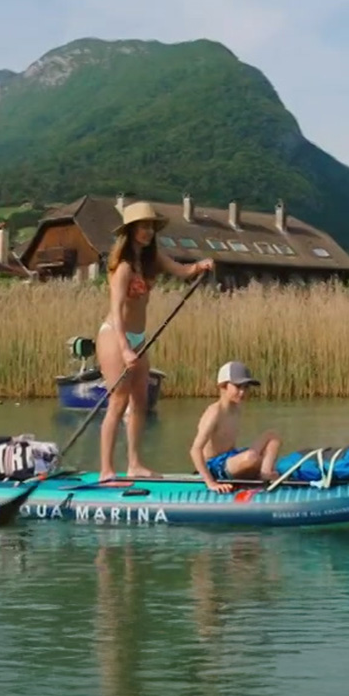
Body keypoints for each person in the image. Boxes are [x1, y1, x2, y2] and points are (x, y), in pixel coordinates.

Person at [99, 200, 212, 481]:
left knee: (141, 400)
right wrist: (125, 348)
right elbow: (116, 308)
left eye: (151, 226)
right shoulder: (122, 266)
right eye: (143, 227)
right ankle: (106, 471)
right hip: (115, 335)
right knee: (118, 402)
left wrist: (200, 265)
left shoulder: (152, 259)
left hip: (139, 337)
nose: (148, 232)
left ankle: (135, 463)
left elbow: (182, 271)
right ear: (131, 230)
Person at [189, 361, 281, 494]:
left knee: (272, 436)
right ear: (223, 386)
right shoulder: (214, 412)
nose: (243, 392)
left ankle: (265, 474)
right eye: (238, 387)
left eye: (246, 387)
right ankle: (263, 471)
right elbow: (195, 450)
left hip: (230, 458)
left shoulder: (236, 408)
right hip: (214, 466)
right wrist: (210, 483)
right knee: (252, 458)